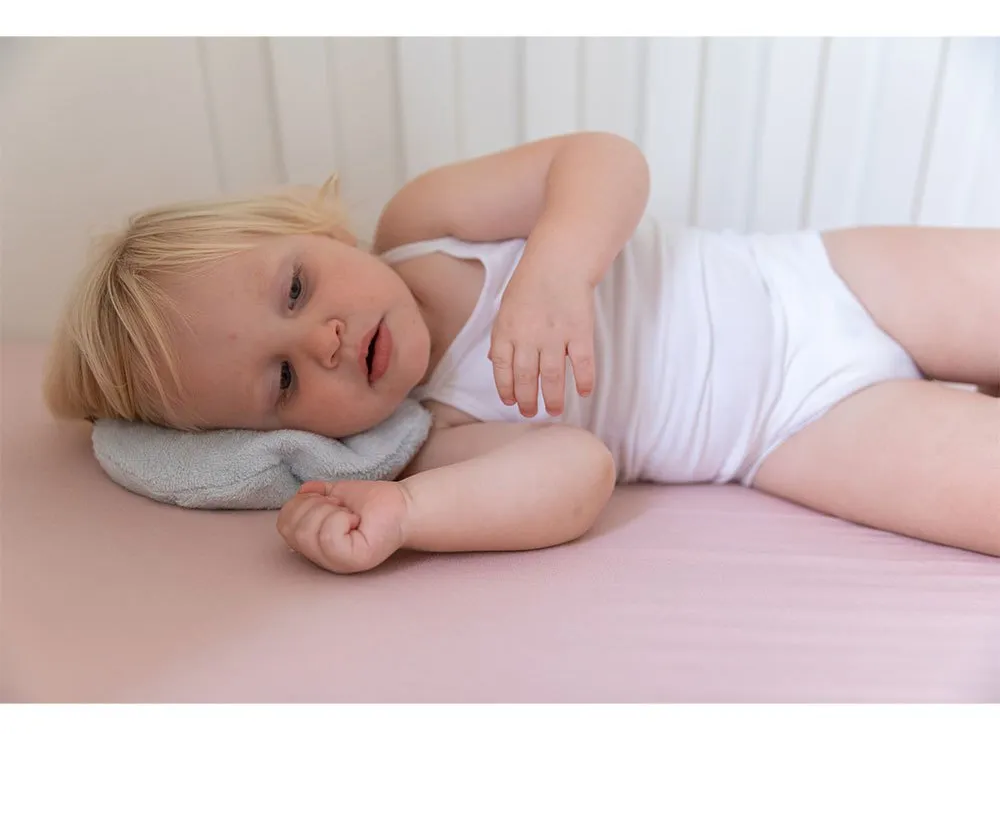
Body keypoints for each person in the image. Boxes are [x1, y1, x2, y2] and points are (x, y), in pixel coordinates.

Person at [45, 133, 1000, 572]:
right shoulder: (438, 436)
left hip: (816, 277)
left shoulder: (424, 225)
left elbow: (602, 159)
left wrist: (555, 269)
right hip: (790, 430)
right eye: (283, 379)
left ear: (314, 231)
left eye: (295, 289)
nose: (323, 338)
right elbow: (578, 469)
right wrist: (411, 513)